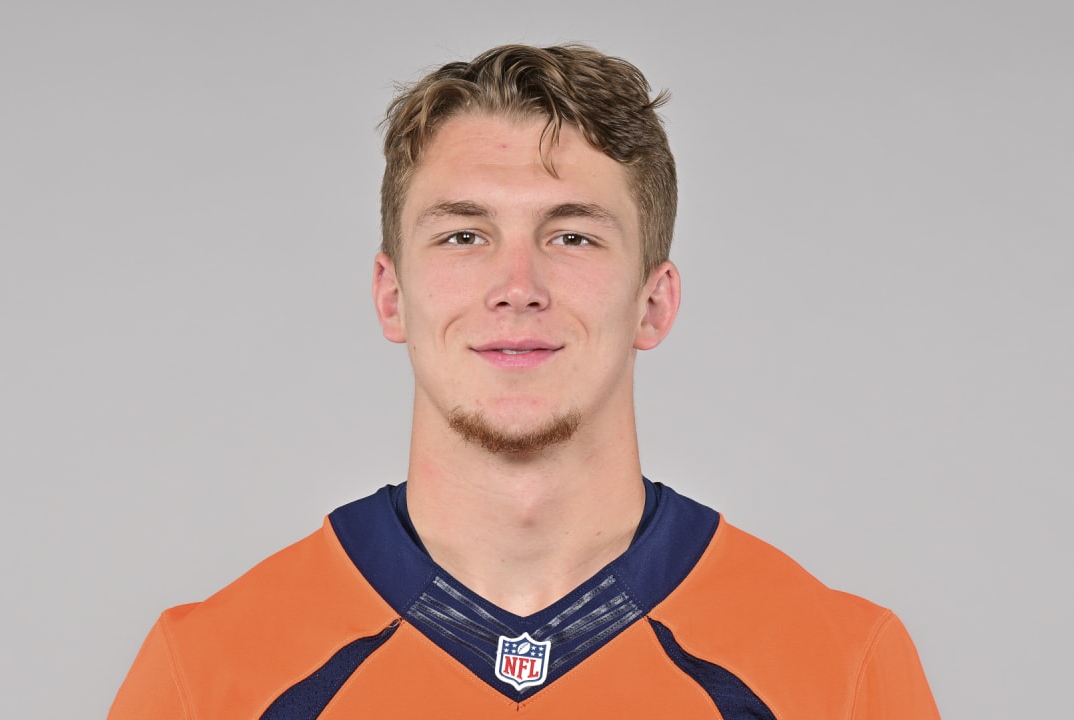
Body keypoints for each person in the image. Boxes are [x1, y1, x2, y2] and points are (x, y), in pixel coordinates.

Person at [108, 44, 940, 719]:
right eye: (463, 236)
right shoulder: (211, 674)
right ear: (391, 295)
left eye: (573, 237)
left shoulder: (839, 673)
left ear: (653, 303)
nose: (518, 284)